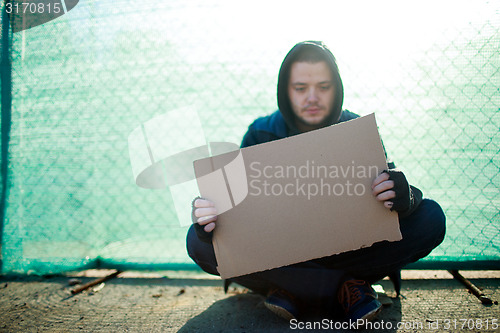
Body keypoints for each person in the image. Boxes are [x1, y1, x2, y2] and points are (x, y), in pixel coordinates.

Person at [186, 41, 446, 324]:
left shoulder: (356, 130)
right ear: (285, 90)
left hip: (348, 251)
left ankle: (294, 289)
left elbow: (396, 199)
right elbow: (234, 215)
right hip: (282, 253)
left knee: (431, 217)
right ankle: (347, 289)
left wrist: (405, 196)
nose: (312, 97)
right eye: (300, 88)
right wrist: (208, 218)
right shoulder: (260, 133)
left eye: (323, 87)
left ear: (337, 88)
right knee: (197, 242)